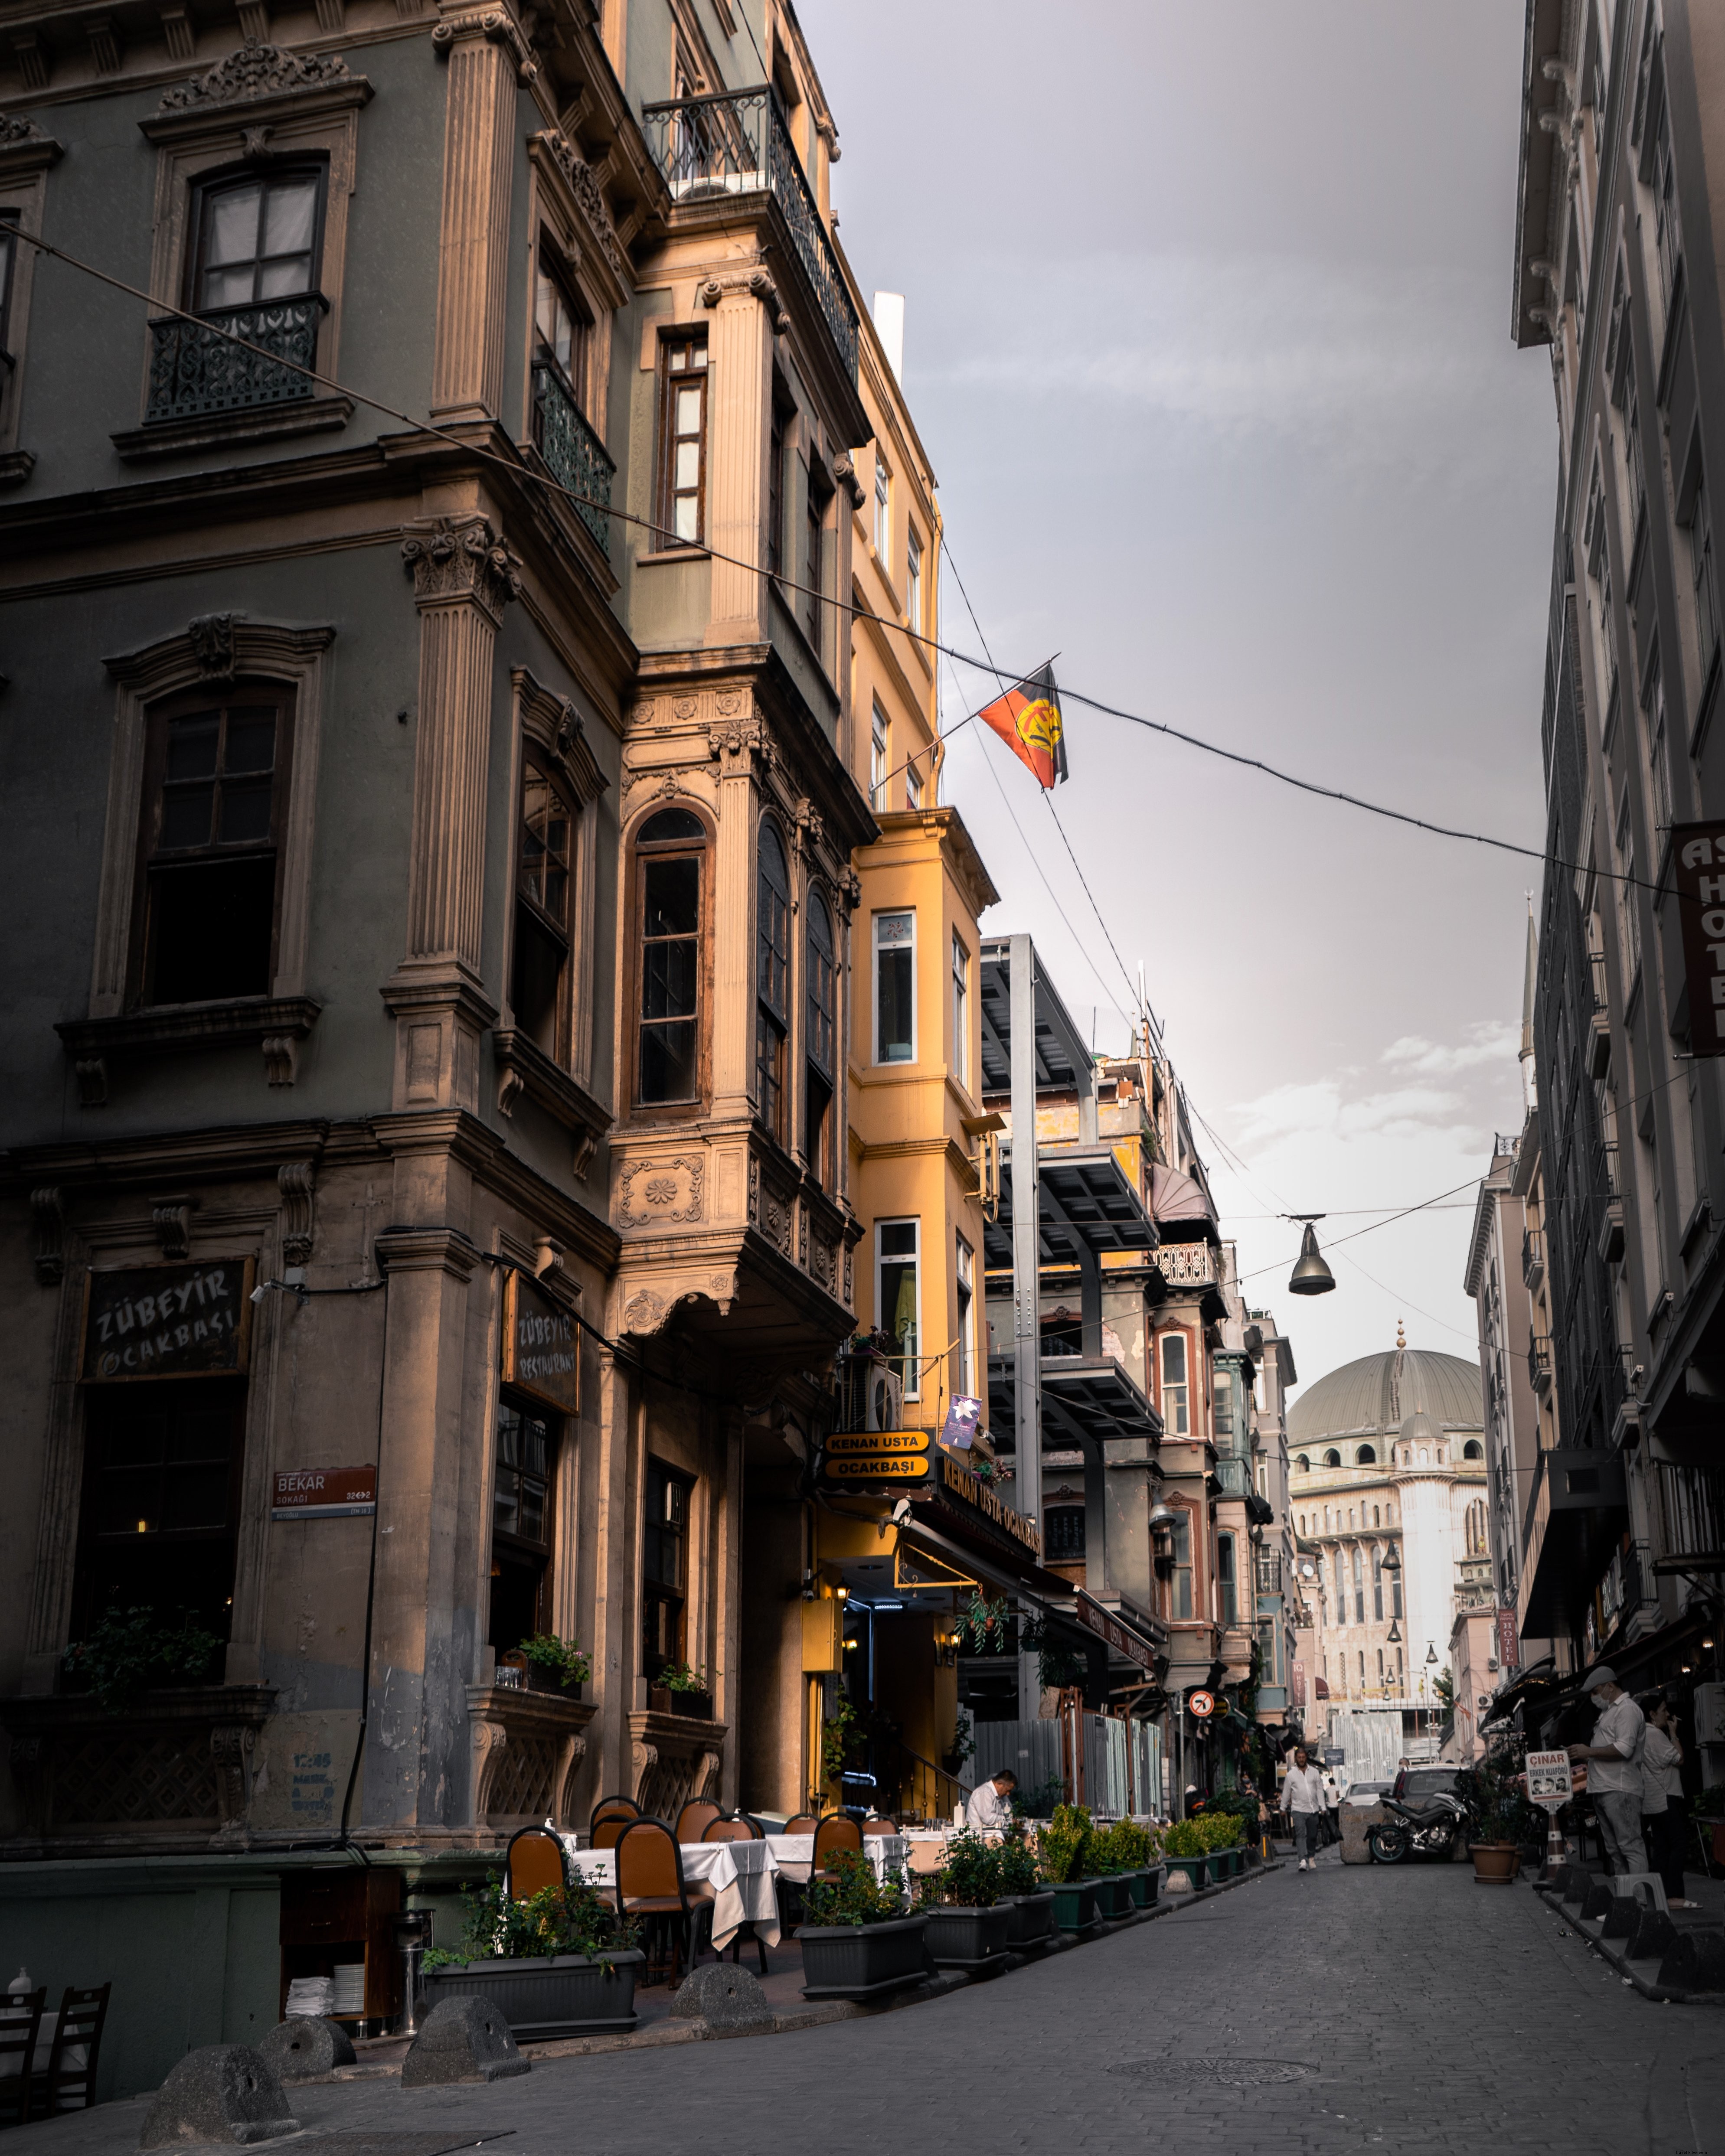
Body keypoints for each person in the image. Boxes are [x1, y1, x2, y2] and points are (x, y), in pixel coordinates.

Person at [1568, 1665, 1647, 1875]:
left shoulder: (1627, 1709)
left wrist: (1590, 1752)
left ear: (1610, 1687)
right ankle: (1626, 1901)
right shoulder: (1609, 1712)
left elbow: (1624, 1749)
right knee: (1615, 1851)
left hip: (1620, 1789)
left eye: (1596, 1692)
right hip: (1605, 1789)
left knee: (1629, 1846)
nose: (1594, 1698)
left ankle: (1639, 1901)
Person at [1640, 1695, 1695, 1907]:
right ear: (1652, 1714)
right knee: (1679, 1844)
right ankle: (1675, 1896)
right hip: (1665, 1797)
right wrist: (1673, 1733)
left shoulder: (1641, 1735)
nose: (1667, 1714)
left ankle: (1658, 1893)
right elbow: (1680, 1758)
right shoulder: (1655, 1735)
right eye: (1663, 1710)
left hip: (1652, 1800)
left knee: (1662, 1847)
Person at [1282, 1746, 1326, 1872]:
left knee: (1312, 1836)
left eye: (1303, 1757)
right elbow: (1286, 1792)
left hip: (1313, 1810)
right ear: (1296, 1758)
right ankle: (1302, 1860)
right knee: (1301, 1834)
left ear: (1306, 1758)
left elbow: (1319, 1791)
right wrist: (1283, 1808)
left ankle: (1311, 1857)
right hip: (1298, 1810)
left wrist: (1323, 1807)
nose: (1301, 1760)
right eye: (1299, 1757)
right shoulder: (1291, 1775)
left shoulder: (1314, 1772)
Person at [964, 1768, 1016, 1832]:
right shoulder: (984, 1792)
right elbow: (989, 1819)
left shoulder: (997, 1796)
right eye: (1008, 1790)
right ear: (1000, 1784)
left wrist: (1012, 1821)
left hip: (992, 1833)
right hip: (979, 1835)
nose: (1008, 1794)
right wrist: (1009, 1821)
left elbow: (1003, 1816)